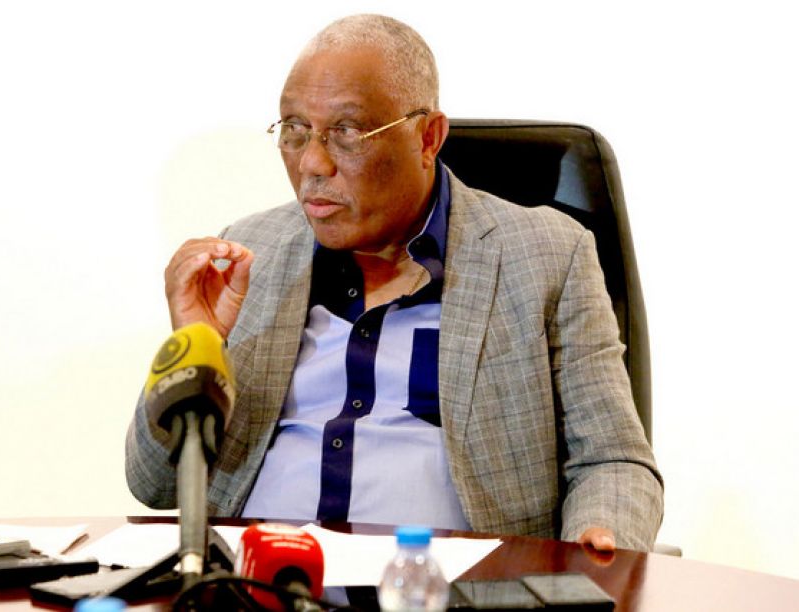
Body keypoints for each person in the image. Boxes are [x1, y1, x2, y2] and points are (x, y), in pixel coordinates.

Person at [126, 14, 663, 552]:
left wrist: (596, 548)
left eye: (347, 132)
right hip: (258, 575)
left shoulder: (544, 255)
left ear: (428, 137)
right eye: (294, 129)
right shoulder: (249, 253)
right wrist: (198, 344)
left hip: (454, 583)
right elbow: (154, 486)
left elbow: (612, 459)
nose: (312, 162)